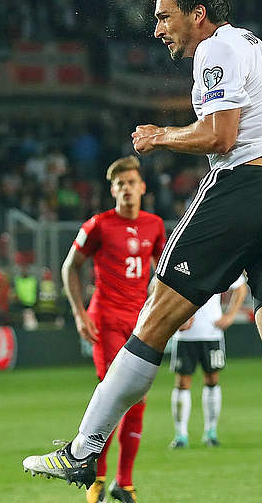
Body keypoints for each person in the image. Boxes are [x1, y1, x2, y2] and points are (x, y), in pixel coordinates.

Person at [23, 0, 262, 503]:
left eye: (165, 16)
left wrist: (161, 135)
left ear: (198, 14)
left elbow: (220, 135)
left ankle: (82, 452)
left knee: (153, 323)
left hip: (245, 188)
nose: (158, 28)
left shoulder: (217, 49)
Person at [62, 156, 167, 503]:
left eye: (131, 182)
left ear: (142, 188)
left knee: (136, 403)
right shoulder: (98, 225)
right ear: (113, 190)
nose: (126, 188)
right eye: (119, 183)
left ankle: (124, 483)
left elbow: (163, 271)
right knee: (115, 397)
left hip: (140, 322)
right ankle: (97, 480)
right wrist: (79, 313)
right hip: (105, 319)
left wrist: (174, 309)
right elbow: (69, 268)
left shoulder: (154, 225)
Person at [169, 274, 249, 449]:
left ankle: (211, 432)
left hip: (212, 333)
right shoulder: (181, 260)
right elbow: (157, 288)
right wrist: (175, 317)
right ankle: (181, 435)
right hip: (184, 336)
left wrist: (230, 315)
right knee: (182, 382)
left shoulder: (218, 261)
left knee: (212, 380)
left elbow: (241, 287)